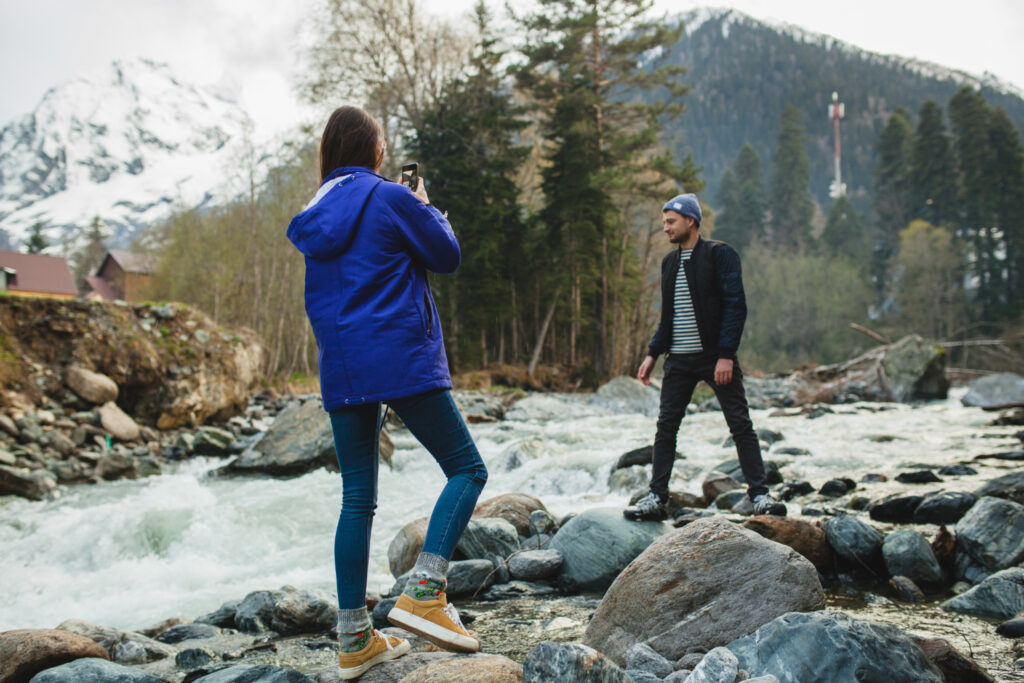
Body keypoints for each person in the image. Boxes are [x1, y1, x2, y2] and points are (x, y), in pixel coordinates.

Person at [287, 105, 488, 679]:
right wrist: (425, 207)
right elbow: (446, 255)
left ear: (329, 152)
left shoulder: (316, 212)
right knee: (467, 469)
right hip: (400, 356)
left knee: (356, 499)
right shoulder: (391, 197)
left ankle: (354, 639)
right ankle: (424, 591)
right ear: (374, 151)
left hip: (343, 367)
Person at [623, 193, 786, 522]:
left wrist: (726, 355)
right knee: (666, 428)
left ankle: (760, 495)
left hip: (715, 358)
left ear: (691, 221)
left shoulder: (720, 254)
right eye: (664, 222)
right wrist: (652, 353)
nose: (665, 228)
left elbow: (735, 306)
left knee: (740, 424)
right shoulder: (669, 263)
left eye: (671, 221)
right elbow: (669, 315)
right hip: (678, 360)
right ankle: (657, 498)